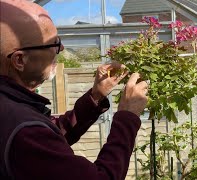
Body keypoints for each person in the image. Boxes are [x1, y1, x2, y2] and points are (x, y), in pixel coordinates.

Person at [0, 0, 148, 179]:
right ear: (19, 60)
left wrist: (95, 96)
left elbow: (53, 132)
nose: (61, 48)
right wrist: (127, 116)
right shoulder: (24, 131)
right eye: (53, 43)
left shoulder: (12, 109)